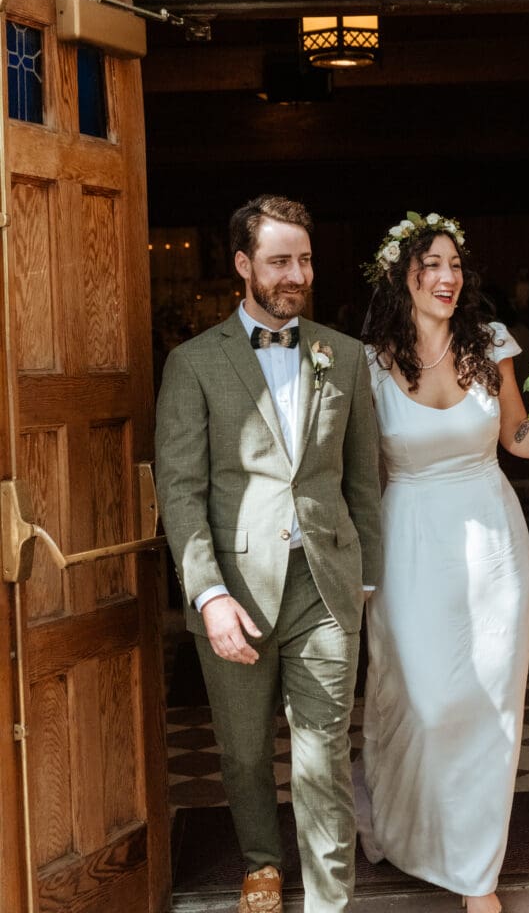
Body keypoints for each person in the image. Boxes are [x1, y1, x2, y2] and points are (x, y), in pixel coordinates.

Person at [357, 212, 529, 913]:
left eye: (455, 264)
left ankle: (475, 876)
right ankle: (409, 831)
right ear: (402, 274)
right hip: (408, 538)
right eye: (431, 264)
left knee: (489, 699)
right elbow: (361, 475)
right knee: (423, 702)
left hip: (490, 536)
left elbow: (515, 432)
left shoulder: (489, 344)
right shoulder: (368, 361)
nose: (447, 276)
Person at [155, 194, 382, 913]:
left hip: (325, 581)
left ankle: (328, 897)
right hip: (236, 591)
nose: (296, 275)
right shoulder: (192, 363)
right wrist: (207, 594)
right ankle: (260, 861)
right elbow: (181, 491)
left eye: (305, 260)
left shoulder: (342, 355)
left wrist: (365, 582)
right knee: (245, 749)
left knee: (322, 749)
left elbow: (362, 481)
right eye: (280, 260)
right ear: (243, 265)